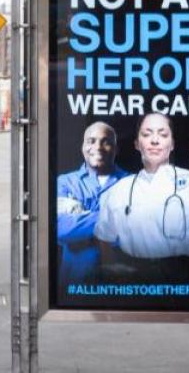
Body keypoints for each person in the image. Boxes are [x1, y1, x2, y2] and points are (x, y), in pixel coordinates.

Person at [95, 113, 189, 284]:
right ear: (137, 144)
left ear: (172, 144)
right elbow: (104, 240)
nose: (155, 141)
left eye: (163, 134)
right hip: (132, 282)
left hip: (180, 280)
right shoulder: (118, 190)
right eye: (147, 134)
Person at [57, 121, 128, 286]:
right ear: (83, 146)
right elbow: (62, 229)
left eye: (106, 142)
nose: (98, 147)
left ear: (116, 149)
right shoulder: (65, 182)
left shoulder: (132, 183)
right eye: (91, 141)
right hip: (74, 285)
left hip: (120, 283)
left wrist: (81, 217)